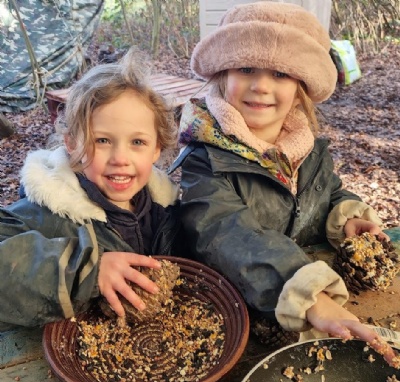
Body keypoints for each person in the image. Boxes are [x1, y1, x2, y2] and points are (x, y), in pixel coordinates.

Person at [170, 2, 398, 363]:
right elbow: (224, 231)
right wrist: (308, 292)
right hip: (236, 312)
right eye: (246, 69)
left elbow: (326, 192)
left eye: (280, 74)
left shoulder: (306, 149)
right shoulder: (205, 160)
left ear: (300, 86)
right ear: (223, 74)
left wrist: (346, 216)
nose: (261, 86)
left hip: (313, 298)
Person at [0, 47, 180, 328]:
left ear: (156, 148)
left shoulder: (166, 209)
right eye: (102, 141)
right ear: (72, 144)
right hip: (73, 341)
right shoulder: (48, 210)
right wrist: (87, 269)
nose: (120, 158)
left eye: (137, 142)